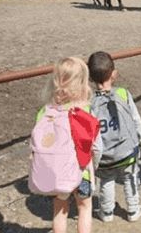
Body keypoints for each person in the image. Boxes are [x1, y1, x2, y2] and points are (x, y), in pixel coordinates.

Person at [36, 57, 98, 233]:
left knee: (60, 211)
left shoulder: (45, 112)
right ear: (83, 83)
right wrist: (95, 163)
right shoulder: (85, 112)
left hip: (58, 173)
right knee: (85, 208)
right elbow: (96, 147)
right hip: (82, 172)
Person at [87, 51, 141, 223]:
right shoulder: (123, 93)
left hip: (105, 155)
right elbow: (136, 119)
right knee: (130, 177)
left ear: (90, 79)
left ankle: (106, 212)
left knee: (106, 181)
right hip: (127, 151)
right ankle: (133, 209)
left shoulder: (89, 102)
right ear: (114, 73)